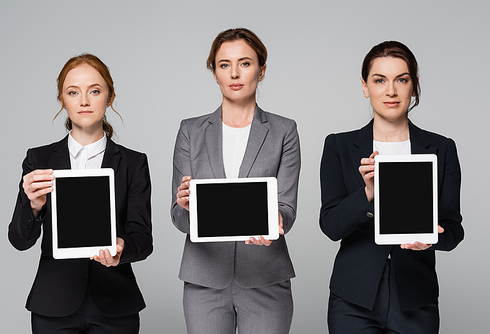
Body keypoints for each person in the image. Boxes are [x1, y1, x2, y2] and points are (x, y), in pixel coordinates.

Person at [319, 41, 464, 333]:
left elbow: (453, 229)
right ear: (365, 87)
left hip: (415, 298)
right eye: (379, 80)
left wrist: (432, 238)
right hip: (353, 300)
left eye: (401, 79)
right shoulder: (339, 145)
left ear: (414, 86)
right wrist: (368, 193)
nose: (391, 91)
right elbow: (331, 226)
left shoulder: (441, 148)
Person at [8, 54, 152, 334]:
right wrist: (34, 207)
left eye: (94, 91)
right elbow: (19, 239)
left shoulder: (134, 163)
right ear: (63, 100)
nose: (84, 101)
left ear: (109, 97)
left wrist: (121, 250)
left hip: (115, 304)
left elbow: (143, 239)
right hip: (53, 303)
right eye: (73, 92)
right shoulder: (38, 159)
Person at [171, 28, 301, 334]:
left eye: (245, 63)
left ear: (261, 70)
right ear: (214, 73)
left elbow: (287, 206)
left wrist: (277, 222)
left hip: (265, 274)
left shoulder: (284, 131)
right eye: (224, 64)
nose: (234, 73)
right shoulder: (190, 131)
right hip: (204, 279)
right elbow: (177, 216)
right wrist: (185, 205)